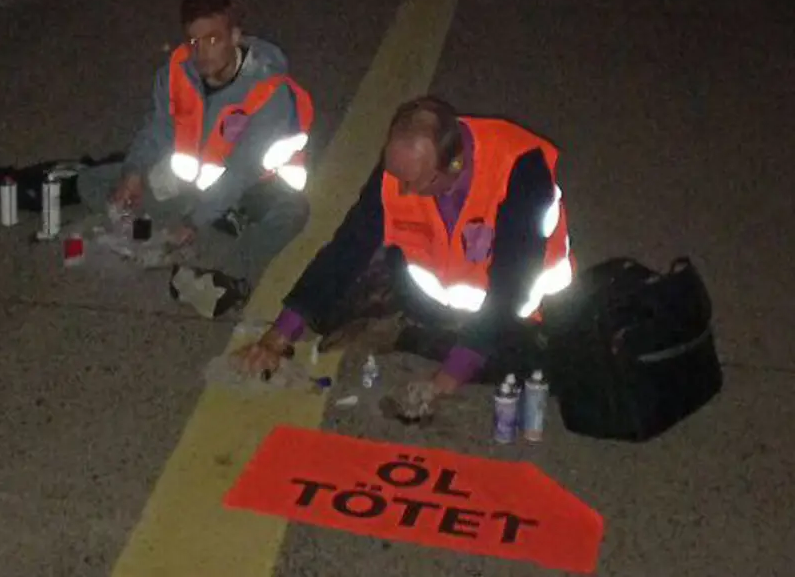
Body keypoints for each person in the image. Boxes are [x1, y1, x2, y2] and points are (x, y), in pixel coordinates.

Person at [233, 94, 576, 420]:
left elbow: (511, 287)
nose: (404, 193)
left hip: (518, 312)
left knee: (534, 366)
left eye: (417, 183)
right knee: (328, 303)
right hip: (434, 295)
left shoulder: (522, 170)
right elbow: (349, 245)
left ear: (454, 164)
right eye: (398, 178)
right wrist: (278, 335)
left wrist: (445, 381)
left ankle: (420, 336)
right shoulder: (400, 168)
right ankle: (415, 329)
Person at [76, 0, 314, 318]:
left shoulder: (268, 90)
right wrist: (133, 173)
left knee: (292, 212)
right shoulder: (176, 72)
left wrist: (193, 220)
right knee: (91, 181)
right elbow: (158, 128)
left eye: (213, 40)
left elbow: (242, 171)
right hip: (195, 184)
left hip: (253, 190)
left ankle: (231, 272)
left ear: (234, 37)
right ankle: (186, 229)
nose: (201, 53)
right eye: (193, 42)